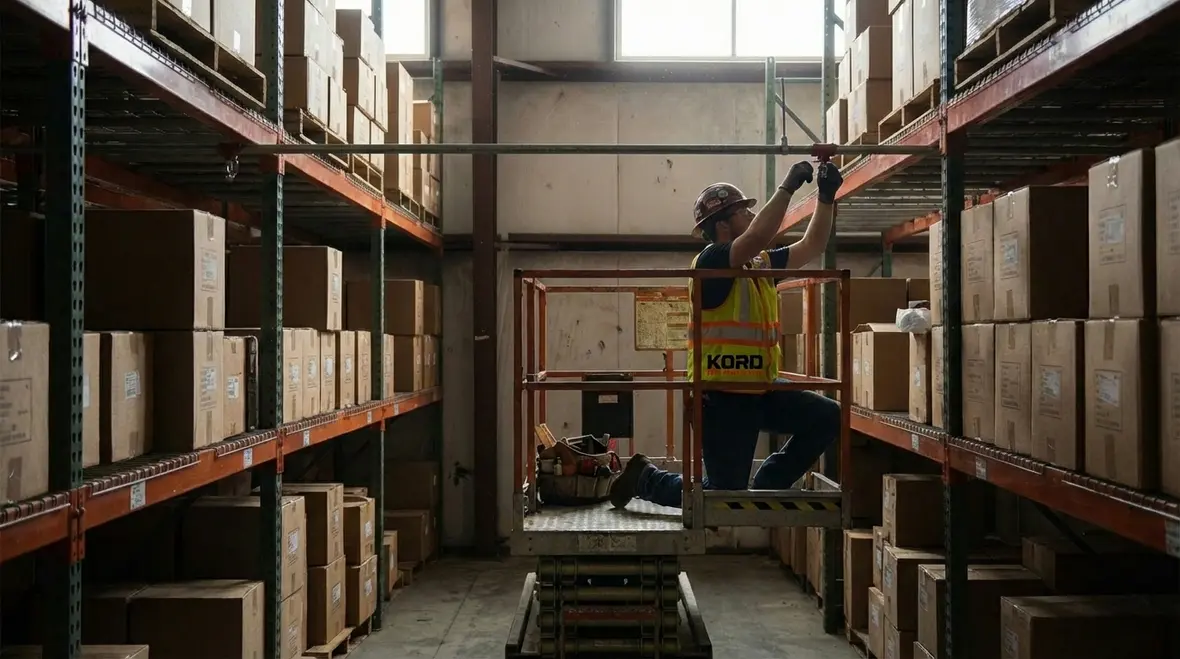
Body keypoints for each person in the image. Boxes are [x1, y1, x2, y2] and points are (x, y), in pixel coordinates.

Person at [609, 160, 845, 510]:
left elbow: (811, 245)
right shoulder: (711, 261)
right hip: (722, 397)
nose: (750, 217)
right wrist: (787, 188)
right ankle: (646, 478)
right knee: (722, 495)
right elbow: (756, 237)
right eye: (742, 212)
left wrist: (826, 198)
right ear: (722, 224)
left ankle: (768, 485)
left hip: (760, 388)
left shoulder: (758, 263)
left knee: (828, 416)